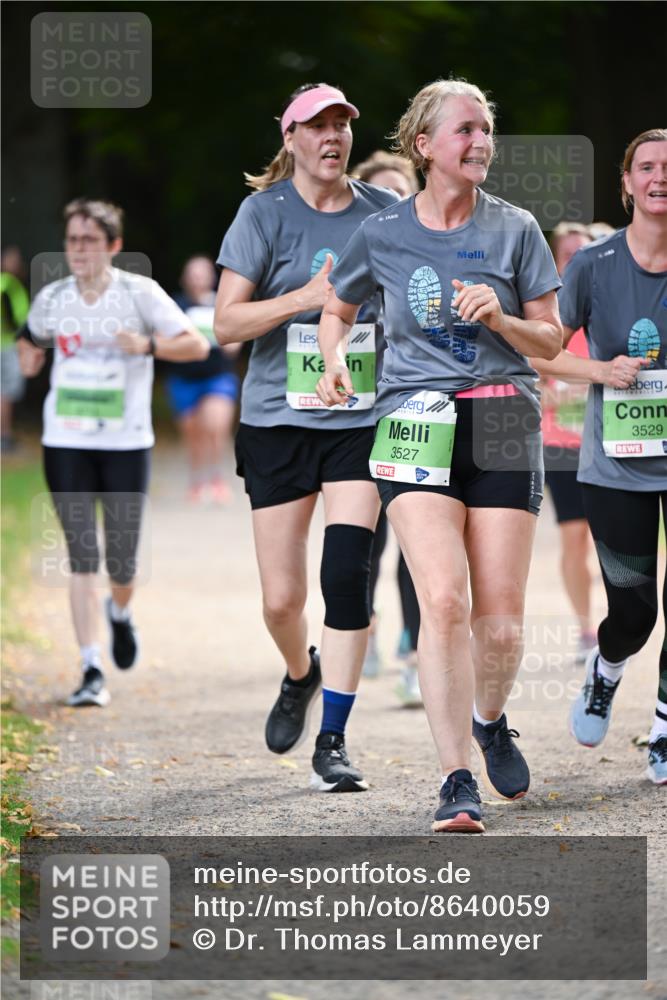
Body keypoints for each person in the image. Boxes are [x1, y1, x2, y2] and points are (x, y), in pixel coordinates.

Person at [316, 79, 562, 831]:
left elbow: (550, 340)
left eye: (486, 129)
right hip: (412, 419)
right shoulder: (383, 232)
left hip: (499, 420)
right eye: (465, 130)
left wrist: (503, 318)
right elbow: (337, 307)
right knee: (444, 600)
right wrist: (334, 359)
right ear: (424, 146)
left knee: (501, 624)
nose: (480, 142)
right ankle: (456, 776)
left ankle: (489, 719)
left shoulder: (516, 228)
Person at [214, 84, 398, 792]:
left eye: (342, 125)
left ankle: (334, 738)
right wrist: (303, 298)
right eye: (316, 126)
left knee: (345, 576)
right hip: (277, 423)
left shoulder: (385, 213)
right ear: (289, 139)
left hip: (359, 419)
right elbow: (226, 325)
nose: (332, 137)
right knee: (282, 601)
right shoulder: (262, 214)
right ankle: (300, 673)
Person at [18, 198, 208, 707]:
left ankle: (120, 614)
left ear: (114, 246)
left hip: (126, 442)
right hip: (67, 440)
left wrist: (146, 346)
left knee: (121, 562)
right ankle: (90, 666)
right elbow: (29, 343)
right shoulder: (54, 298)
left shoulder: (139, 294)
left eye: (91, 241)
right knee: (83, 554)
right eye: (73, 240)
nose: (80, 250)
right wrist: (28, 357)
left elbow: (195, 345)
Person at [536, 129, 667, 785]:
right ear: (626, 183)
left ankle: (665, 724)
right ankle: (605, 671)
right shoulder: (590, 264)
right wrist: (597, 370)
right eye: (646, 166)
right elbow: (542, 352)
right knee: (633, 613)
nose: (658, 176)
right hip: (615, 463)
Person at [351, 152, 423, 699]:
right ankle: (364, 632)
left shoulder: (427, 265)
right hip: (357, 420)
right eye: (381, 198)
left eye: (402, 195)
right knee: (366, 542)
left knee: (417, 543)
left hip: (413, 413)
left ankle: (416, 653)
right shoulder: (353, 272)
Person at [532, 223, 597, 662]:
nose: (575, 260)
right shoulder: (547, 315)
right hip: (561, 444)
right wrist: (552, 391)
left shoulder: (610, 302)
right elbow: (525, 370)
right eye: (568, 253)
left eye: (583, 252)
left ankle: (623, 620)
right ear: (556, 261)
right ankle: (587, 629)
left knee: (612, 539)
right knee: (575, 538)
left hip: (611, 440)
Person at [164, 255, 241, 504]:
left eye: (202, 274)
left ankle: (217, 479)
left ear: (211, 277)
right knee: (193, 433)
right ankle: (197, 480)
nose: (197, 279)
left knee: (215, 427)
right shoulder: (175, 306)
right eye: (192, 274)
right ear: (184, 279)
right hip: (184, 379)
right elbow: (164, 339)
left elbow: (235, 341)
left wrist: (225, 341)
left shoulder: (222, 304)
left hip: (217, 377)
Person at [1, 246, 30, 452]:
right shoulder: (8, 285)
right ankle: (4, 435)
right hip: (7, 345)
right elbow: (17, 320)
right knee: (6, 392)